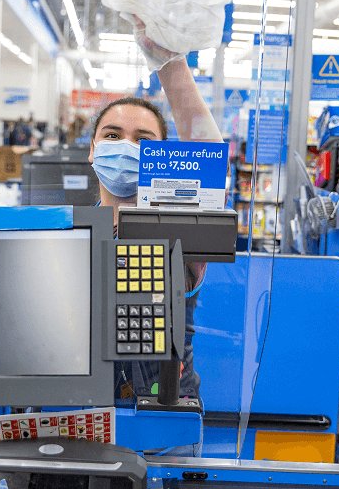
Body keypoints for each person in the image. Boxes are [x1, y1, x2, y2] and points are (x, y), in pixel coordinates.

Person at [88, 47, 223, 438]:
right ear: (93, 149)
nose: (125, 146)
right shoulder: (72, 233)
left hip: (164, 417)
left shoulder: (181, 228)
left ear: (161, 156)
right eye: (112, 135)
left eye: (142, 140)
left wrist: (170, 60)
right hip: (81, 414)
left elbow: (208, 156)